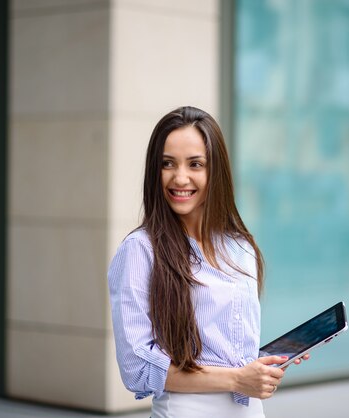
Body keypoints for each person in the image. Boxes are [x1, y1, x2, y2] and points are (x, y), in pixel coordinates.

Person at [108, 106, 308, 417]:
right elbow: (136, 368)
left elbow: (229, 350)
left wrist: (264, 366)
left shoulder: (241, 247)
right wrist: (239, 379)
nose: (180, 177)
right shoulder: (140, 250)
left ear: (216, 171)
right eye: (167, 164)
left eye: (195, 164)